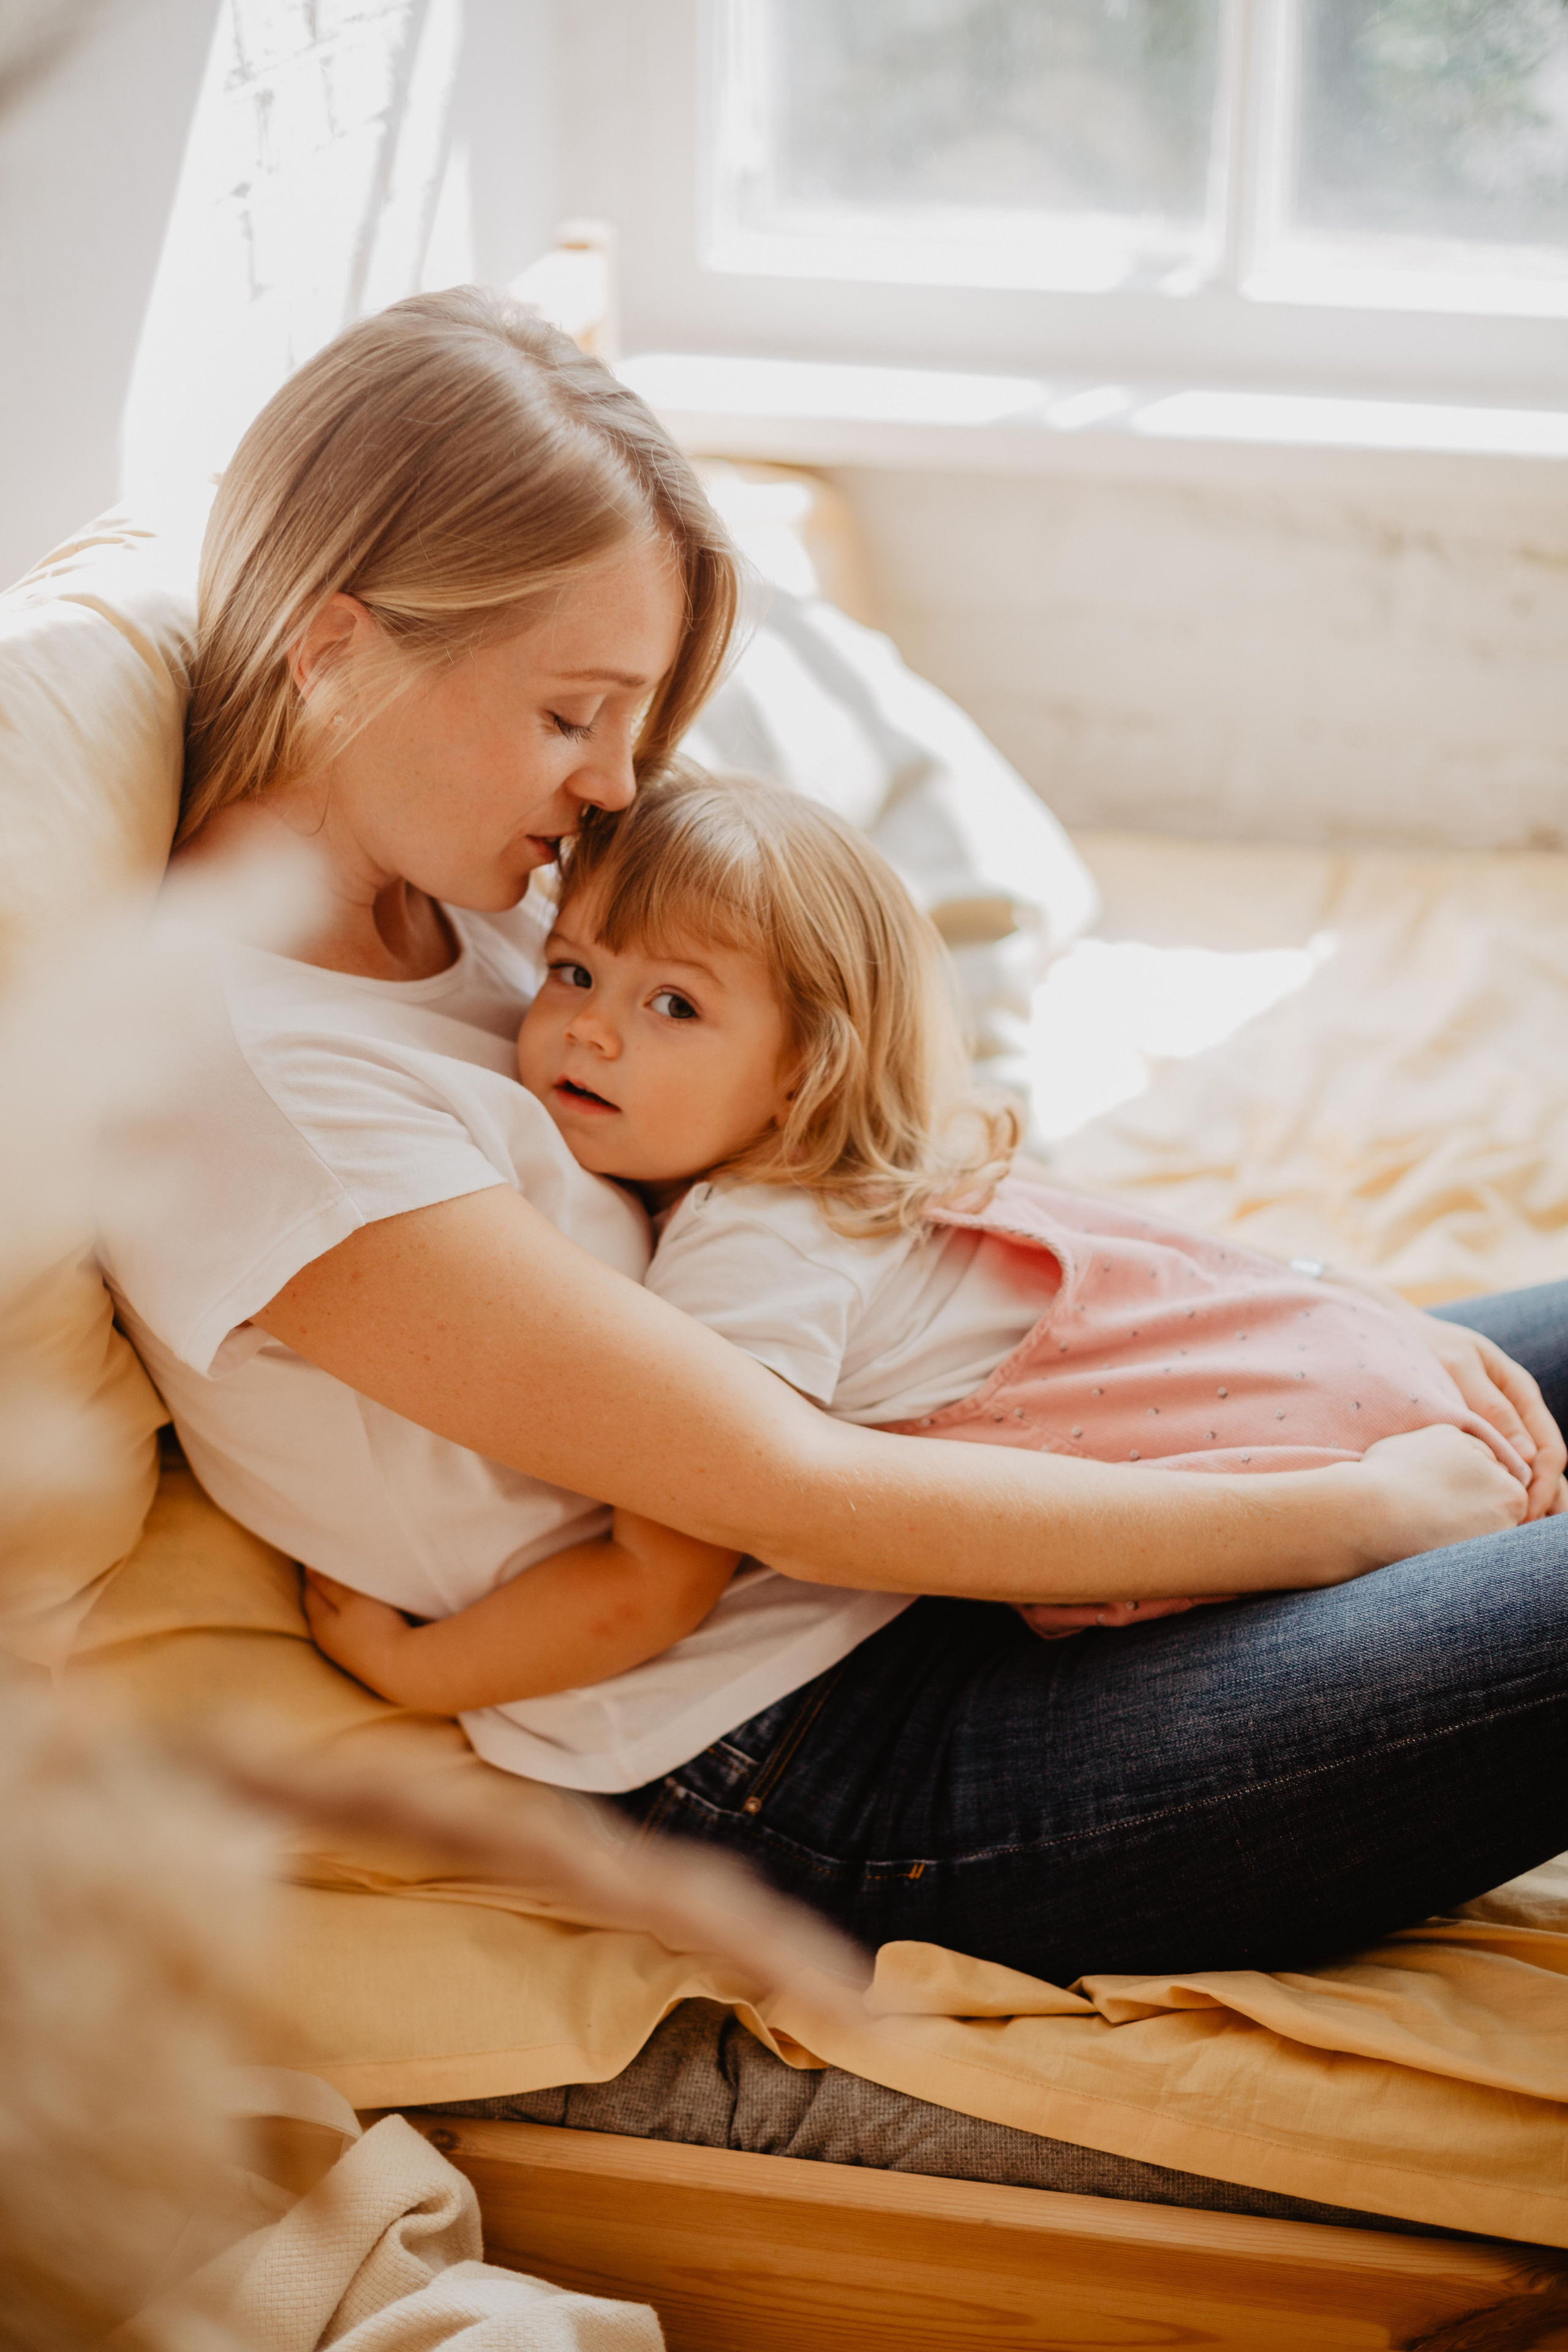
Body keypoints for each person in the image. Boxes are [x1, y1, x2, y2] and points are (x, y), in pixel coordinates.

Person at [98, 287, 1568, 1988]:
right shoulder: (256, 1093)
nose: (614, 789)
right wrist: (1361, 1512)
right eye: (573, 714)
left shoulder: (478, 892)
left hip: (953, 1551)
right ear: (337, 639)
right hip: (824, 1752)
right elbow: (786, 1492)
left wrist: (1306, 1344)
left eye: (633, 724)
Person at [304, 767, 1537, 1740]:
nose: (589, 1029)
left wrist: (413, 1670)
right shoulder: (890, 1163)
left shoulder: (745, 1251)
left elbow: (651, 1582)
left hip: (1314, 1478)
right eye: (572, 970)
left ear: (805, 1073)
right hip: (1347, 1379)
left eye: (672, 1004)